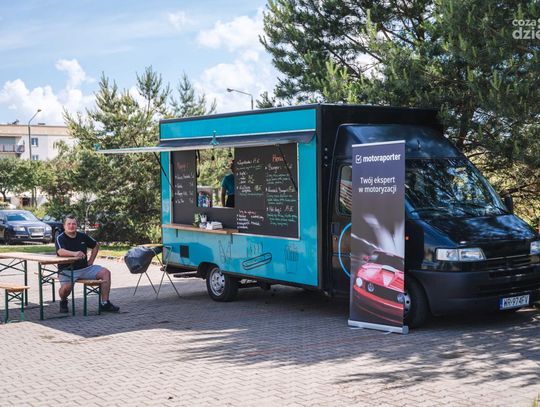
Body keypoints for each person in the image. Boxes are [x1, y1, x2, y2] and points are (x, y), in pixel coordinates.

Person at [55, 215, 119, 313]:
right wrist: (75, 253)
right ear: (64, 226)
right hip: (67, 270)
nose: (71, 226)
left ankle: (105, 303)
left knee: (106, 272)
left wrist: (91, 261)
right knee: (66, 288)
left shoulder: (82, 236)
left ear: (76, 225)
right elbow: (60, 251)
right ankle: (63, 301)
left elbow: (96, 245)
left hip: (85, 269)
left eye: (74, 224)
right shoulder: (60, 238)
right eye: (69, 224)